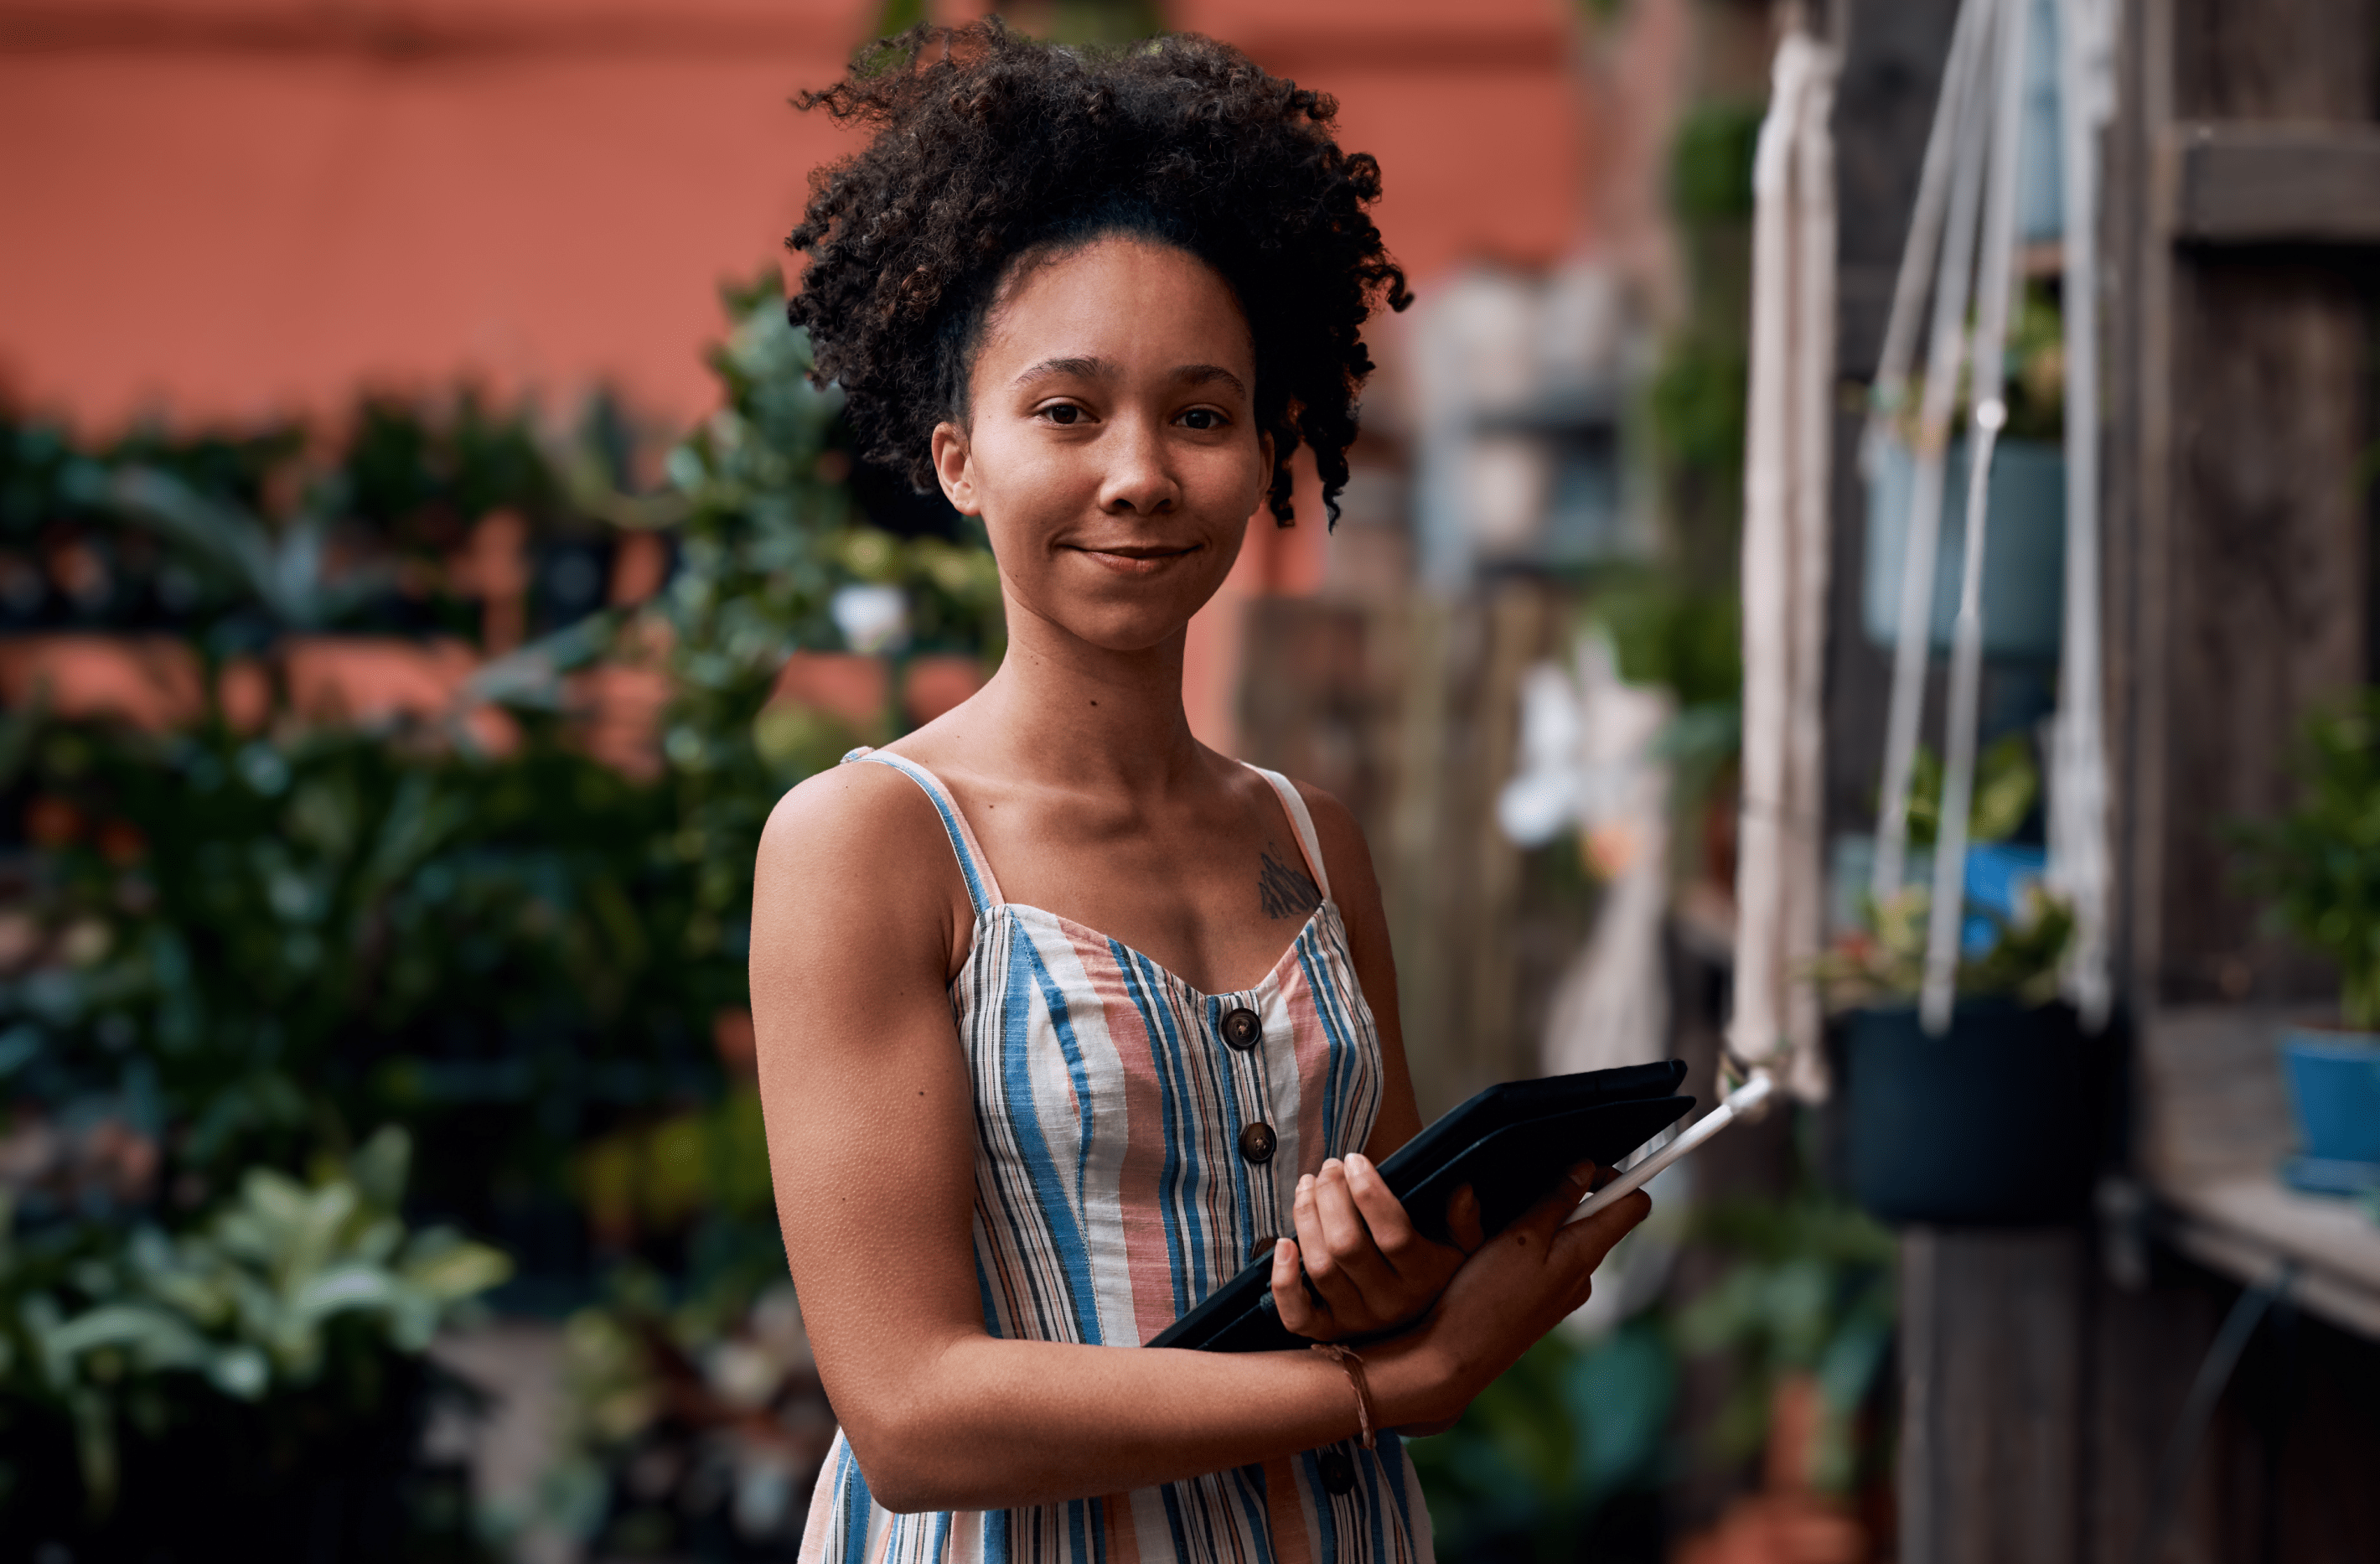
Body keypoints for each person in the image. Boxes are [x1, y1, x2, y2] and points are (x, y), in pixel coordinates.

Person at [750, 23, 1652, 1564]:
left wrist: (1389, 1288)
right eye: (1066, 410)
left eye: (1202, 412)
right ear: (957, 457)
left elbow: (1397, 1256)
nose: (1140, 473)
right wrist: (1390, 1382)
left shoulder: (1311, 844)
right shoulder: (872, 843)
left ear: (1263, 450)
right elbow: (909, 1415)